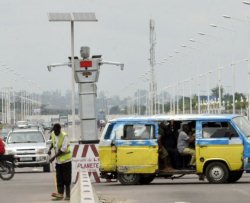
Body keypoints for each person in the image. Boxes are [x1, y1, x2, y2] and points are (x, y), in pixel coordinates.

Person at [48, 123, 72, 201]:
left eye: (55, 131)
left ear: (59, 130)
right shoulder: (53, 134)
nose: (54, 132)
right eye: (53, 131)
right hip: (58, 162)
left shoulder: (65, 136)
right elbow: (53, 142)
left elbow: (62, 150)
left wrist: (53, 158)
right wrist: (49, 149)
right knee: (59, 179)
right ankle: (60, 195)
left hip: (66, 161)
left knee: (66, 180)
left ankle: (68, 195)